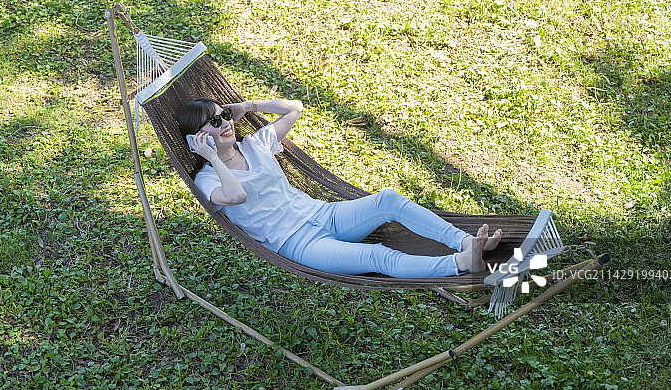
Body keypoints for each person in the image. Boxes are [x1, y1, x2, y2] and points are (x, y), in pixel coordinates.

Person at [179, 97, 502, 278]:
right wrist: (212, 156)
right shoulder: (208, 179)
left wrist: (248, 107)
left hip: (323, 214)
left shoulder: (256, 143)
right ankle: (460, 264)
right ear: (197, 138)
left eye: (225, 115)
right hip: (298, 243)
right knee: (378, 256)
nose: (226, 123)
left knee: (387, 199)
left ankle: (465, 241)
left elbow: (294, 108)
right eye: (215, 122)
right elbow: (237, 196)